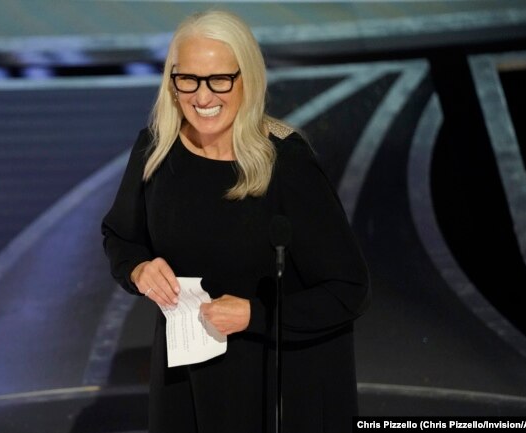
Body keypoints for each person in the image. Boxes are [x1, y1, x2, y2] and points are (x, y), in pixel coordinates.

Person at [101, 10, 370, 433]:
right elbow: (120, 235)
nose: (202, 97)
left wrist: (254, 315)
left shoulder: (286, 162)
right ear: (171, 81)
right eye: (187, 79)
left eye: (219, 80)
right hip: (186, 381)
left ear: (248, 79)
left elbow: (348, 290)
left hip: (277, 383)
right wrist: (138, 269)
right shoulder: (155, 151)